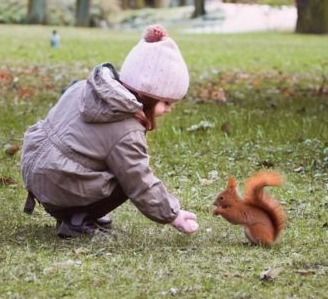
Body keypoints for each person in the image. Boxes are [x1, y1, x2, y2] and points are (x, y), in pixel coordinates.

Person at [21, 24, 199, 238]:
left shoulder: (85, 87)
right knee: (126, 173)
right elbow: (139, 180)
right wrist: (173, 214)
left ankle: (76, 210)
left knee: (115, 164)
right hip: (58, 183)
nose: (169, 110)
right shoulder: (125, 129)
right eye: (167, 102)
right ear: (148, 95)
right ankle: (77, 219)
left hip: (36, 171)